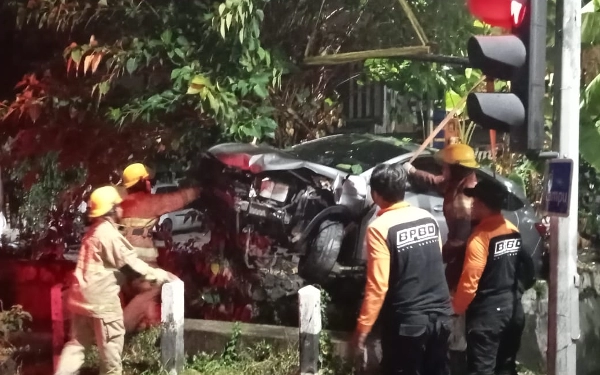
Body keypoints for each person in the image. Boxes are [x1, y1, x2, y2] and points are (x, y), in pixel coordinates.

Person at [55, 186, 176, 375]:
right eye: (118, 206)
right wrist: (159, 275)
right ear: (111, 210)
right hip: (102, 301)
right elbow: (130, 262)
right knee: (111, 354)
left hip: (80, 299)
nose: (122, 209)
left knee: (76, 346)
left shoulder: (94, 231)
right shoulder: (108, 235)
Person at [352, 163, 452, 375]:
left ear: (375, 194)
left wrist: (362, 328)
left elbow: (377, 286)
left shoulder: (379, 228)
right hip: (442, 317)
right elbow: (435, 261)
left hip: (409, 322)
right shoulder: (428, 218)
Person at [452, 179, 535, 375]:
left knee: (482, 370)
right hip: (513, 311)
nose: (472, 205)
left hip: (488, 317)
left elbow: (470, 281)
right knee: (506, 368)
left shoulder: (480, 238)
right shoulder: (511, 230)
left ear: (482, 204)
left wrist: (456, 308)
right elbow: (529, 268)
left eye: (475, 201)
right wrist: (517, 292)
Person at [118, 163, 201, 332]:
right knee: (161, 286)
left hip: (124, 267)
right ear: (142, 181)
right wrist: (200, 189)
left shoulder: (122, 205)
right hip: (141, 266)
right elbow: (176, 200)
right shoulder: (145, 202)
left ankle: (147, 330)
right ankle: (122, 328)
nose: (150, 183)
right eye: (148, 180)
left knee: (149, 303)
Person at [403, 143, 479, 291]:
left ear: (455, 168)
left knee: (452, 289)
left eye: (445, 166)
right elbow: (435, 181)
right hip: (463, 253)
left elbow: (459, 241)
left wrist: (436, 258)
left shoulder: (463, 198)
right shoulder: (458, 182)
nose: (442, 169)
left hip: (465, 255)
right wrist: (412, 171)